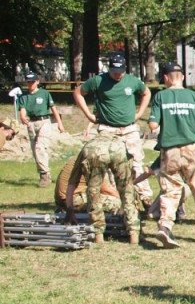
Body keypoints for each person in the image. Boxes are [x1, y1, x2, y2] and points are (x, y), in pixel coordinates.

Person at [147, 62, 195, 248]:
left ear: (165, 78)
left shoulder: (160, 97)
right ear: (183, 77)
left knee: (170, 190)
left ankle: (165, 226)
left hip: (169, 151)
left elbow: (153, 125)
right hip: (192, 150)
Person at [73, 52, 154, 207]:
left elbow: (146, 93)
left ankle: (145, 198)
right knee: (110, 165)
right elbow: (78, 92)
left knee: (136, 163)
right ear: (109, 69)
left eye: (121, 71)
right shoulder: (98, 81)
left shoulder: (132, 81)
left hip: (129, 129)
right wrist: (89, 115)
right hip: (107, 130)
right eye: (115, 71)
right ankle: (118, 198)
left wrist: (139, 113)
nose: (118, 74)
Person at [66, 132, 140, 244]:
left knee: (93, 190)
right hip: (118, 148)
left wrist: (69, 210)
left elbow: (72, 183)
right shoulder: (118, 141)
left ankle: (98, 236)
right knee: (127, 189)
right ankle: (134, 235)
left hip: (94, 151)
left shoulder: (88, 146)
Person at [17, 71, 64, 187]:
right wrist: (22, 117)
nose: (30, 84)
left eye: (32, 81)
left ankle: (44, 175)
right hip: (31, 124)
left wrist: (60, 123)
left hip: (44, 122)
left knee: (39, 147)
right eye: (28, 82)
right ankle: (45, 174)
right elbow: (22, 110)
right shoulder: (23, 96)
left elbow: (53, 108)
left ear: (37, 81)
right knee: (36, 151)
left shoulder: (44, 93)